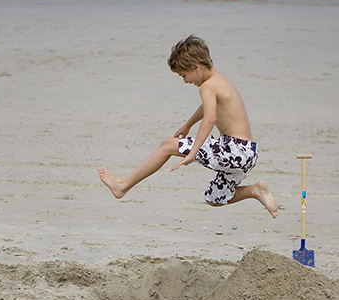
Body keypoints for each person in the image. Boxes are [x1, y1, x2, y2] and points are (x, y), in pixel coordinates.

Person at [98, 35, 278, 218]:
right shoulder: (221, 80)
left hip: (234, 150)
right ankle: (255, 190)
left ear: (195, 67)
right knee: (215, 197)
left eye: (184, 75)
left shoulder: (207, 86)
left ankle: (122, 185)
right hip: (247, 153)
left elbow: (209, 118)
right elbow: (206, 108)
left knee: (168, 145)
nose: (185, 81)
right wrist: (188, 125)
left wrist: (193, 153)